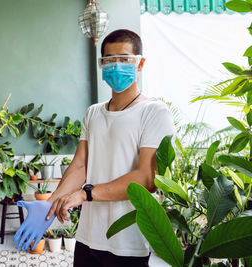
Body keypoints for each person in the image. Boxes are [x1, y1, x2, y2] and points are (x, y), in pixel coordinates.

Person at [13, 29, 175, 267]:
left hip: (128, 240)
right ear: (102, 65)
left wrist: (84, 194)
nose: (116, 65)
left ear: (140, 63)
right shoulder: (93, 112)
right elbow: (80, 165)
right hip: (88, 237)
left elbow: (147, 178)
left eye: (124, 59)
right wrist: (50, 203)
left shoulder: (154, 112)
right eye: (109, 60)